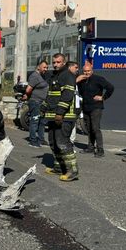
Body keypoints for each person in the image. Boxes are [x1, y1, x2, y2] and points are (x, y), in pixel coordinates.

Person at [42, 53, 79, 182]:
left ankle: (72, 171)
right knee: (53, 142)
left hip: (64, 116)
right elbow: (51, 95)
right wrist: (43, 108)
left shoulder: (67, 75)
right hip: (53, 116)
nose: (55, 64)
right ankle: (59, 167)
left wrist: (60, 113)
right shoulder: (54, 76)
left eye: (58, 62)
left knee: (63, 143)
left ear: (64, 62)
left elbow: (67, 95)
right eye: (54, 62)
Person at [77, 62, 115, 157]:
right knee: (89, 129)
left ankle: (100, 150)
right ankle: (90, 147)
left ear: (92, 70)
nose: (86, 73)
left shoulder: (98, 79)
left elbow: (110, 87)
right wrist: (76, 80)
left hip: (96, 107)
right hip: (86, 107)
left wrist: (103, 97)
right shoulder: (81, 80)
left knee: (95, 128)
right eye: (85, 71)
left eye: (88, 71)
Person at [22, 60, 49, 148]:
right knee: (35, 121)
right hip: (35, 102)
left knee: (42, 121)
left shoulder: (41, 76)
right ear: (38, 67)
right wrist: (28, 96)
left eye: (47, 67)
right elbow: (28, 89)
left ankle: (41, 140)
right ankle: (33, 141)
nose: (46, 69)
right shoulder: (34, 76)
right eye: (44, 67)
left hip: (42, 103)